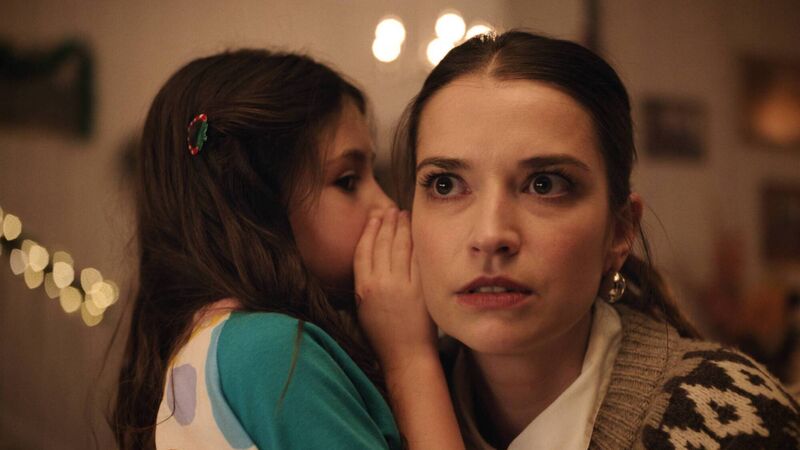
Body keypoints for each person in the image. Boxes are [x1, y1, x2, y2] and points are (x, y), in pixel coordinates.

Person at [391, 30, 800, 449]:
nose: (491, 235)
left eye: (545, 184)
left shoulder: (730, 420)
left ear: (619, 231)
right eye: (445, 185)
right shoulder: (373, 410)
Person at [112, 49, 462, 450]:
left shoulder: (220, 342)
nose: (386, 206)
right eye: (348, 181)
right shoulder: (270, 352)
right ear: (256, 203)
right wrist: (409, 357)